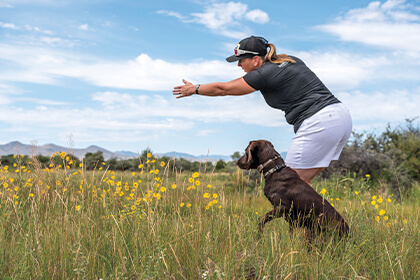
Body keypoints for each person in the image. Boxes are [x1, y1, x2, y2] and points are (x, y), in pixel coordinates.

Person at [173, 35, 352, 185]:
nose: (239, 66)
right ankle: (321, 225)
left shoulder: (264, 73)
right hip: (340, 117)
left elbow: (223, 89)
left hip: (319, 121)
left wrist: (195, 89)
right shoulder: (290, 60)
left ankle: (309, 227)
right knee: (301, 185)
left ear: (256, 60)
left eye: (241, 60)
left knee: (287, 185)